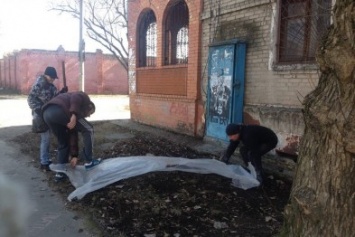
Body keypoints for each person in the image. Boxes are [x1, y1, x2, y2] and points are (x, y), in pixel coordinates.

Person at [42, 91, 102, 181]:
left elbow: (73, 134)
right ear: (88, 107)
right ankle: (89, 161)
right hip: (60, 110)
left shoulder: (70, 111)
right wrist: (74, 114)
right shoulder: (84, 98)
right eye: (90, 113)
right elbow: (76, 96)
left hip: (47, 114)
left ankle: (61, 174)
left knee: (63, 142)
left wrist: (74, 155)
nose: (88, 116)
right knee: (89, 129)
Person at [27, 66, 68, 171]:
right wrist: (38, 109)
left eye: (54, 78)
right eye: (51, 77)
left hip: (48, 114)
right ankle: (44, 163)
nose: (53, 79)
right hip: (40, 115)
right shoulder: (39, 84)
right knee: (45, 139)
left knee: (47, 138)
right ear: (46, 75)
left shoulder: (51, 86)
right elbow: (30, 98)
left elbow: (54, 98)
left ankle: (46, 159)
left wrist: (62, 93)